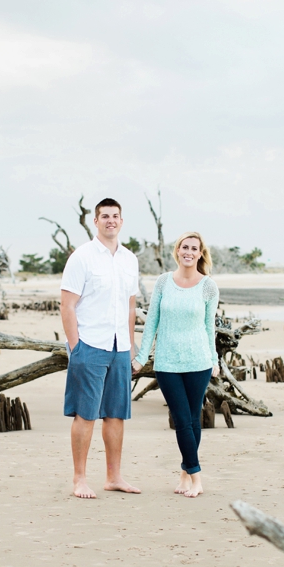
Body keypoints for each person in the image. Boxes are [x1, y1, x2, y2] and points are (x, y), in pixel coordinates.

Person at [60, 198, 142, 499]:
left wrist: (132, 347)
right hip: (90, 345)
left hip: (120, 347)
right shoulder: (81, 257)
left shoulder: (129, 259)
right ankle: (79, 479)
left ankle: (114, 477)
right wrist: (75, 347)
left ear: (122, 221)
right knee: (86, 414)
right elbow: (67, 305)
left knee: (116, 414)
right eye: (105, 216)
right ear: (96, 221)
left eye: (115, 216)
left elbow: (131, 306)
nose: (111, 220)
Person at [132, 232, 219, 498]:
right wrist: (141, 356)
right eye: (185, 247)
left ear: (200, 253)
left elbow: (208, 327)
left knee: (193, 420)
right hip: (167, 363)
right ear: (177, 251)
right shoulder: (163, 282)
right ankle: (197, 477)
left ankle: (187, 474)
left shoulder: (208, 286)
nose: (189, 252)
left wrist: (214, 361)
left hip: (198, 362)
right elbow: (152, 322)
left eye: (194, 248)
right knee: (181, 419)